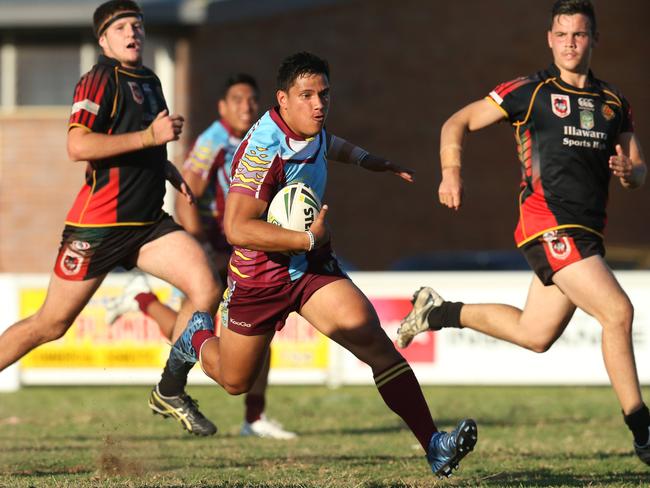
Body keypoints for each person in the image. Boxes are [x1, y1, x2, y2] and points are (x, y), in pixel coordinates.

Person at [161, 51, 478, 478]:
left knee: (372, 341)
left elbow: (329, 144)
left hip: (310, 267)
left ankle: (434, 445)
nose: (318, 104)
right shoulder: (262, 153)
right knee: (234, 381)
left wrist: (371, 161)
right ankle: (195, 337)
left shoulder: (310, 125)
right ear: (282, 100)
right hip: (259, 277)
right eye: (307, 95)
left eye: (324, 94)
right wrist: (306, 237)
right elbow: (237, 227)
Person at [396, 0, 649, 466]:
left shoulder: (613, 103)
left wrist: (630, 173)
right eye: (562, 34)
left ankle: (438, 312)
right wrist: (450, 172)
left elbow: (638, 167)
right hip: (547, 224)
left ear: (594, 40)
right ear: (550, 39)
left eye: (580, 34)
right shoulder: (529, 91)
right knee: (618, 312)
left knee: (536, 334)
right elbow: (458, 122)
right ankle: (644, 431)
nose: (571, 43)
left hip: (586, 234)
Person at [0, 0, 221, 436]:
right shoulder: (98, 78)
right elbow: (78, 146)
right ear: (104, 40)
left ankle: (171, 388)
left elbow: (144, 145)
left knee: (206, 288)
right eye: (121, 26)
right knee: (51, 325)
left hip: (146, 224)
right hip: (99, 226)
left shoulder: (152, 80)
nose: (132, 32)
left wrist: (167, 167)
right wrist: (150, 137)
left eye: (136, 24)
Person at [107, 74, 296, 439]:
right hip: (218, 252)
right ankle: (142, 299)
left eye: (252, 99)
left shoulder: (259, 139)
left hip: (244, 250)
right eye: (238, 99)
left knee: (256, 330)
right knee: (195, 328)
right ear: (223, 107)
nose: (246, 105)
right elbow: (185, 195)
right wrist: (201, 250)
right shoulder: (213, 140)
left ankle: (254, 419)